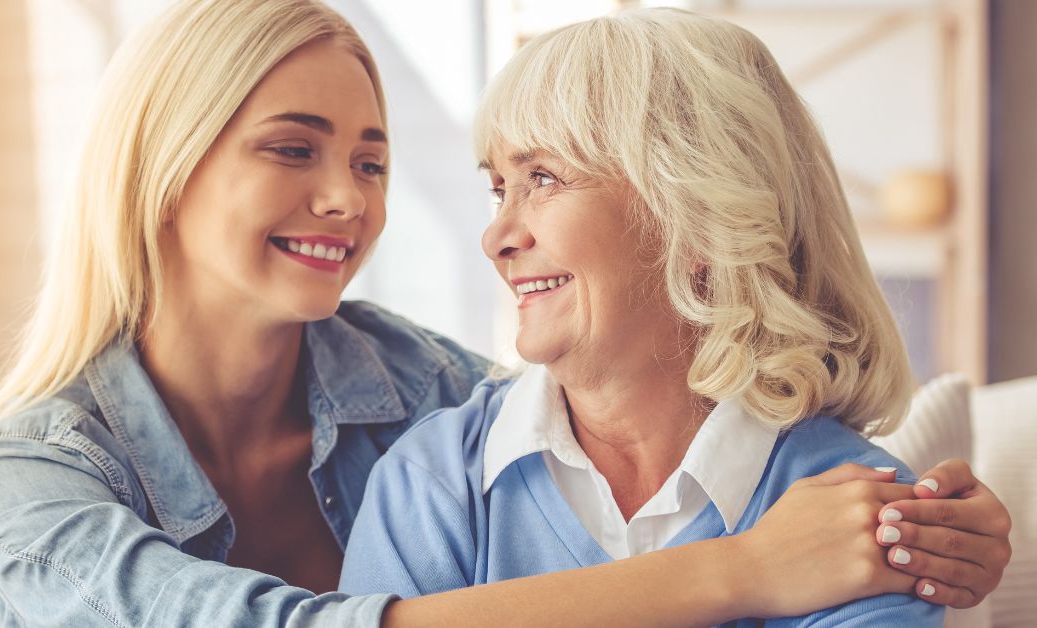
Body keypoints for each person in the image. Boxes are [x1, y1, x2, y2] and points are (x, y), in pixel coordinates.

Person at [0, 1, 1012, 626]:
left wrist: (940, 515)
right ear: (161, 170)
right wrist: (747, 571)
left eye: (372, 161)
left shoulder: (423, 399)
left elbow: (630, 403)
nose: (350, 200)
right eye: (293, 148)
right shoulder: (32, 473)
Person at [339, 7, 1010, 626]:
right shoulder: (430, 483)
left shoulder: (861, 520)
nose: (497, 239)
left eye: (542, 177)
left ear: (696, 216)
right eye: (498, 189)